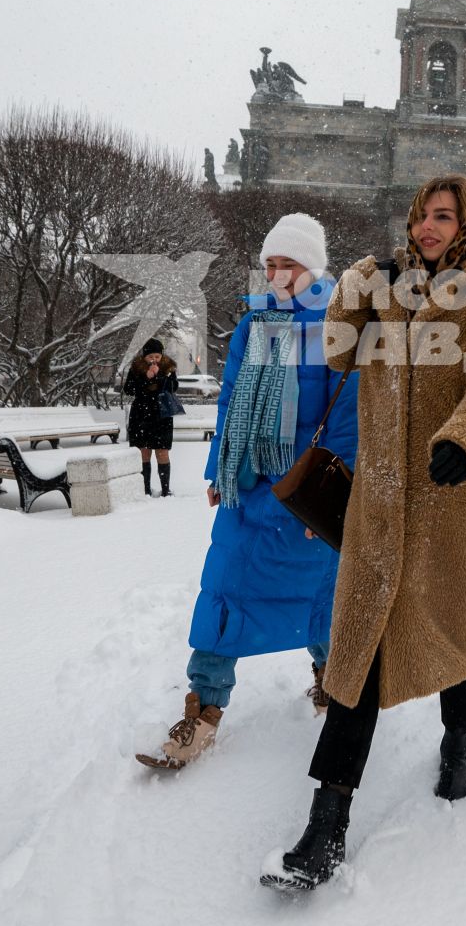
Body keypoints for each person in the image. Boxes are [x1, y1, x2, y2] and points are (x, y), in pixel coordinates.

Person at [261, 174, 466, 891]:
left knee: (456, 627)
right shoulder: (384, 287)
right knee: (359, 650)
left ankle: (457, 737)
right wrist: (352, 283)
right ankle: (327, 822)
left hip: (454, 501)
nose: (429, 228)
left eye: (444, 216)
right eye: (421, 217)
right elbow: (340, 352)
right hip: (379, 502)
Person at [137, 213, 358, 771]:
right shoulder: (251, 328)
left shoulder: (339, 328)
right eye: (271, 264)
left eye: (290, 263)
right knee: (223, 592)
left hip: (303, 491)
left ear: (314, 267)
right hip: (250, 485)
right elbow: (232, 402)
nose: (279, 273)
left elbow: (348, 421)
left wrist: (332, 498)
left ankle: (329, 681)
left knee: (318, 603)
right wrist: (220, 470)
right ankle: (203, 711)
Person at [122, 337, 178, 496]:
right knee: (143, 451)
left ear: (161, 356)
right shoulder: (136, 368)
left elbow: (173, 387)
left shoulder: (168, 367)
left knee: (162, 451)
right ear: (144, 356)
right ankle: (145, 489)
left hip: (162, 415)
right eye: (150, 357)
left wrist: (159, 376)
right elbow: (129, 390)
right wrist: (146, 377)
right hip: (141, 414)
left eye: (157, 356)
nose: (154, 360)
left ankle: (165, 490)